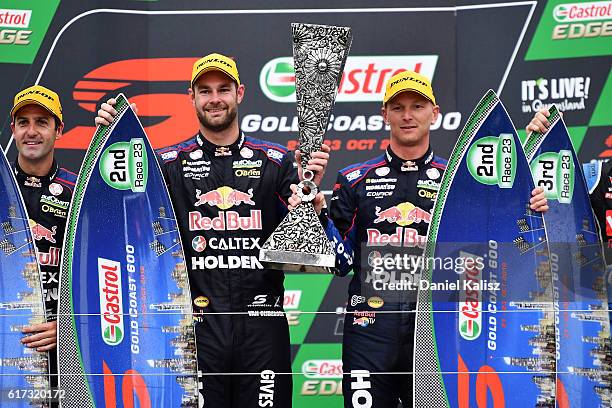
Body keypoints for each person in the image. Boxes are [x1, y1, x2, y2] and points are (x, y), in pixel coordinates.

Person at [289, 70, 548, 407]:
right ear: (385, 115)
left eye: (417, 106)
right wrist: (319, 210)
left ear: (434, 113)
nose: (408, 116)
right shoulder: (353, 179)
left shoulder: (457, 180)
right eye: (397, 108)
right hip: (369, 330)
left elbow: (504, 246)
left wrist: (529, 207)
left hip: (436, 332)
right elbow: (340, 263)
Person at [95, 52, 330, 407]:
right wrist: (112, 137)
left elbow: (307, 254)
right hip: (196, 328)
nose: (214, 98)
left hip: (262, 326)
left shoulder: (277, 161)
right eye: (205, 91)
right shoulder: (168, 165)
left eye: (223, 88)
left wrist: (313, 206)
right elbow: (127, 221)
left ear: (240, 93)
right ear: (192, 97)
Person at [10, 85, 77, 390]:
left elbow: (102, 276)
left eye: (42, 122)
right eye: (23, 122)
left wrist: (66, 328)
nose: (31, 131)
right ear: (13, 129)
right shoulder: (1, 187)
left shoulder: (80, 192)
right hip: (6, 340)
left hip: (65, 350)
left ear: (58, 130)